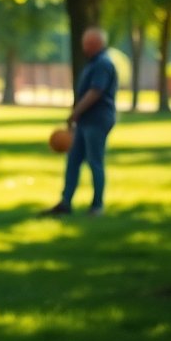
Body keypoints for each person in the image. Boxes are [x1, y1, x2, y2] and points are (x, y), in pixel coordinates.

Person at [41, 26, 118, 217]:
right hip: (85, 121)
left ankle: (97, 206)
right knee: (73, 160)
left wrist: (75, 113)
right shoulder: (92, 63)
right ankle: (65, 203)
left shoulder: (102, 64)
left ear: (97, 44)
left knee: (95, 161)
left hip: (97, 120)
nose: (84, 47)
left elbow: (95, 91)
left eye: (88, 43)